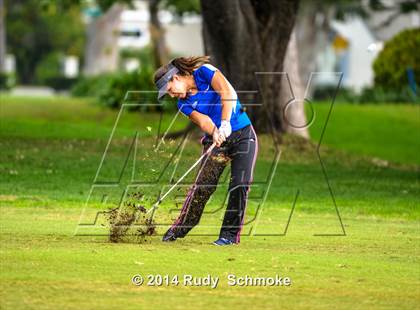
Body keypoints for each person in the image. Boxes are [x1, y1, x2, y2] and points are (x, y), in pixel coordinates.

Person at [153, 56, 258, 246]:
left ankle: (229, 235)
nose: (171, 95)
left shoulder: (205, 72)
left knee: (240, 184)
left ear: (175, 78)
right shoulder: (183, 104)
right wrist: (216, 132)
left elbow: (226, 92)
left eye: (170, 90)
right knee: (203, 187)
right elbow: (203, 121)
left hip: (243, 135)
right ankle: (180, 228)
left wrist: (225, 123)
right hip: (217, 140)